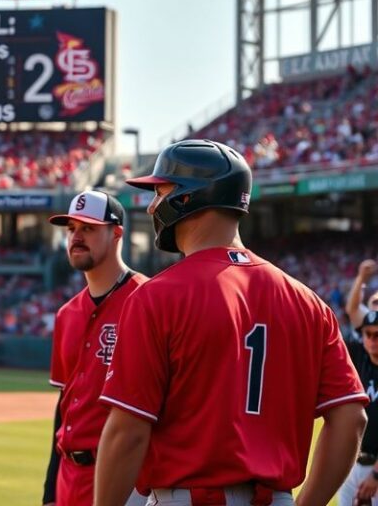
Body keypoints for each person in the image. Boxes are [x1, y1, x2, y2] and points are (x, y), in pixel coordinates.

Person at [94, 139, 368, 506]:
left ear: (187, 197)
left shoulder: (157, 296)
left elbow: (126, 435)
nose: (153, 204)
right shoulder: (309, 303)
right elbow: (352, 419)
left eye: (160, 191)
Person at [42, 190, 149, 506]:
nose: (76, 237)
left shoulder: (148, 300)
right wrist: (50, 492)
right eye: (71, 229)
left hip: (124, 477)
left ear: (116, 234)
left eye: (88, 228)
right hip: (68, 476)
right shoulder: (66, 313)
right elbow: (65, 407)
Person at [339, 260, 378, 506]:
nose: (373, 339)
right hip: (351, 464)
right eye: (369, 334)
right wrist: (361, 278)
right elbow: (353, 310)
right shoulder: (360, 356)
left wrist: (376, 473)